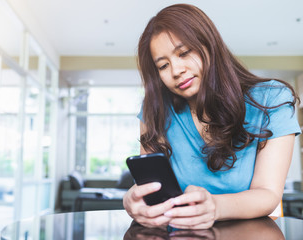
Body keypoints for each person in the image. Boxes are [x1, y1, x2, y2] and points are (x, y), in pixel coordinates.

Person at [123, 3, 301, 230]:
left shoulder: (271, 99)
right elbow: (153, 189)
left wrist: (215, 206)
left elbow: (268, 194)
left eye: (184, 53)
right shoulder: (155, 110)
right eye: (163, 65)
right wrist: (132, 199)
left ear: (209, 45)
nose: (176, 70)